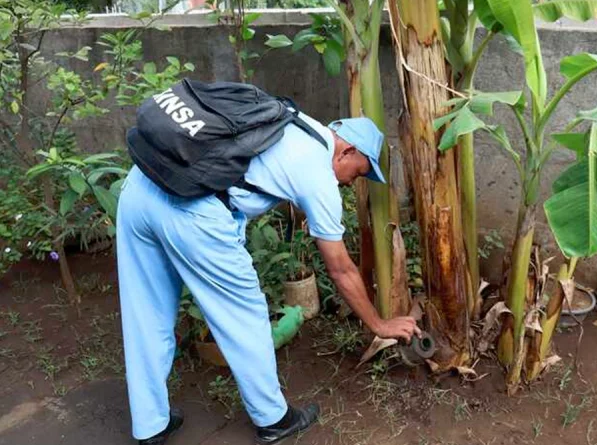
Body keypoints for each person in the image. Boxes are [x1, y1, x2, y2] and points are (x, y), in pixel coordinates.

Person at [117, 111, 421, 445]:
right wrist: (379, 324)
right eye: (358, 173)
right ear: (346, 151)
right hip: (192, 209)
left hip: (143, 184)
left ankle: (150, 423)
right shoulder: (318, 173)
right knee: (244, 318)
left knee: (147, 311)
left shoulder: (294, 121)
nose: (350, 183)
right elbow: (340, 268)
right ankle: (274, 419)